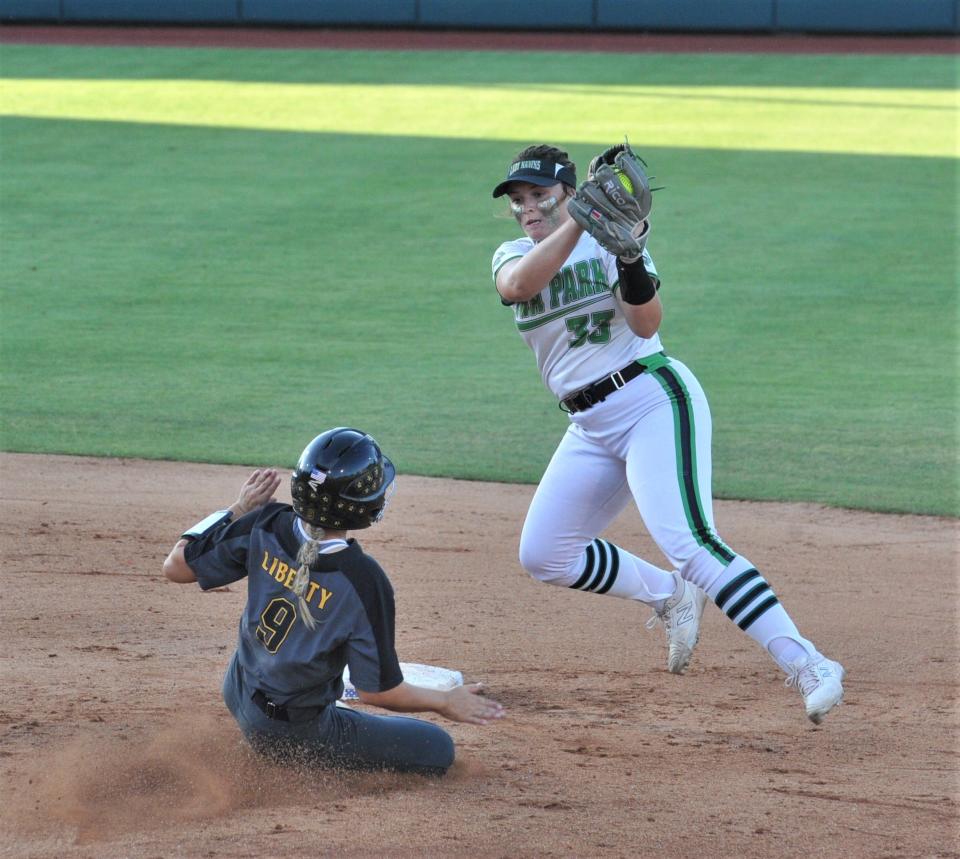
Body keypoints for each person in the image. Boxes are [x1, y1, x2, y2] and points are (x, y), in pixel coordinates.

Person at [490, 144, 845, 723]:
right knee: (545, 553)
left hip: (652, 400)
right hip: (589, 424)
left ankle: (809, 662)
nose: (528, 209)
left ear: (568, 194)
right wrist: (580, 221)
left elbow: (647, 321)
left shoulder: (612, 245)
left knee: (690, 542)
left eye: (540, 197)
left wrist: (629, 259)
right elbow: (518, 287)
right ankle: (670, 595)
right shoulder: (511, 253)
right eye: (519, 200)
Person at [163, 427, 504, 775]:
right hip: (291, 734)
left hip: (237, 688)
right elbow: (378, 692)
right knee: (437, 747)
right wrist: (445, 701)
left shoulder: (264, 522)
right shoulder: (363, 579)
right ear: (363, 508)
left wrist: (239, 508)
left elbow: (175, 566)